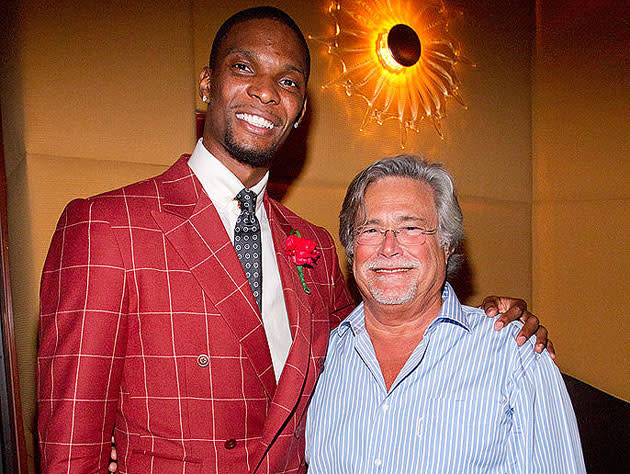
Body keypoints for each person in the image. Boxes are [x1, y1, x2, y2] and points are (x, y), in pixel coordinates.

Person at [37, 7, 550, 474]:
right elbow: (71, 445)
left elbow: (377, 339)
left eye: (289, 81)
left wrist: (493, 324)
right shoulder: (106, 226)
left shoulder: (316, 244)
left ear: (300, 110)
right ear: (205, 84)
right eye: (243, 68)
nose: (266, 92)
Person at [306, 155, 586, 473]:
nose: (388, 247)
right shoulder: (320, 357)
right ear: (352, 247)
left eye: (410, 228)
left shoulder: (515, 353)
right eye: (370, 230)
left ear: (447, 244)